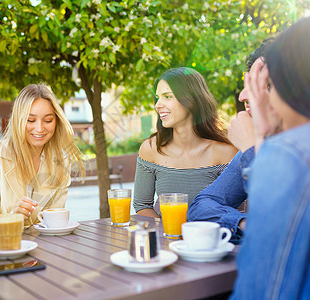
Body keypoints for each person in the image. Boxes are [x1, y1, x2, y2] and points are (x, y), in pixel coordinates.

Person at [231, 17, 310, 299]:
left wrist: (258, 149)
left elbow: (263, 289)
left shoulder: (288, 155)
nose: (246, 96)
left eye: (265, 83)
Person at [187, 38, 278, 242]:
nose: (243, 95)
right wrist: (243, 224)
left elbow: (278, 232)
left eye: (262, 83)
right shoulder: (263, 143)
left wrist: (250, 149)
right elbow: (201, 206)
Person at [0, 83, 85, 232]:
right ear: (18, 120)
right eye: (30, 120)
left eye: (48, 120)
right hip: (2, 250)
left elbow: (54, 219)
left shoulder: (61, 162)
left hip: (44, 249)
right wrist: (12, 218)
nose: (40, 128)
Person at [133, 67, 237, 218]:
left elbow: (235, 211)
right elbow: (142, 205)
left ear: (192, 100)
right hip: (169, 239)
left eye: (167, 97)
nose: (157, 105)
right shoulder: (150, 149)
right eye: (157, 98)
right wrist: (170, 234)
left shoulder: (226, 152)